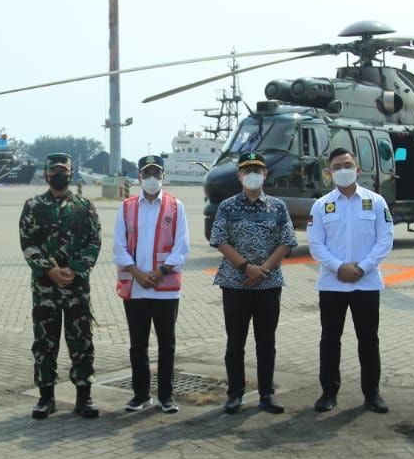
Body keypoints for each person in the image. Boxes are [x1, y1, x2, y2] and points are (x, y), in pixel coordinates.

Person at [307, 148, 393, 414]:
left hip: (366, 284)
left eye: (347, 164)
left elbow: (385, 239)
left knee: (368, 339)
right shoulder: (321, 205)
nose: (342, 169)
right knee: (330, 339)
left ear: (357, 169)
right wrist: (338, 267)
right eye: (337, 166)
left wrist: (363, 267)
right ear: (329, 173)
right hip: (332, 284)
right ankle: (328, 392)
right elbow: (315, 244)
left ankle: (372, 393)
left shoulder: (376, 202)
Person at [210, 151, 297, 414]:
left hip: (268, 285)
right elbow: (219, 240)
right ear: (239, 175)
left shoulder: (277, 206)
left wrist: (263, 270)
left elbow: (287, 241)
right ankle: (235, 393)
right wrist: (246, 267)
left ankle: (266, 394)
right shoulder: (227, 206)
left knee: (266, 341)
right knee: (235, 341)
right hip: (235, 284)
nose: (252, 175)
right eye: (247, 171)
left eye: (257, 170)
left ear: (265, 174)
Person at [20, 153, 102, 419]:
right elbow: (27, 243)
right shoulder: (33, 206)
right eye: (55, 170)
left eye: (64, 170)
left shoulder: (84, 206)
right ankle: (46, 397)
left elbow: (94, 242)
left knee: (81, 341)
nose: (60, 174)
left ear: (71, 173)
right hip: (46, 289)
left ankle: (84, 397)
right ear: (46, 174)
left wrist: (74, 269)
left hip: (76, 288)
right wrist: (50, 270)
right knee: (45, 342)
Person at [113, 154, 190, 414]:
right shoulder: (126, 207)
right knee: (138, 344)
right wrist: (137, 273)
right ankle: (140, 395)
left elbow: (182, 246)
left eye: (157, 173)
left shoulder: (176, 206)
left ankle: (166, 397)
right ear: (139, 177)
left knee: (167, 344)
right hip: (136, 288)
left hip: (165, 289)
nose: (152, 178)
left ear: (163, 176)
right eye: (147, 174)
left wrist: (159, 272)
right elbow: (119, 246)